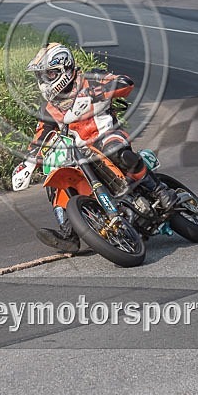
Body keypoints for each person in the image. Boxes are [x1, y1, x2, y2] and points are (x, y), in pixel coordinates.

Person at [12, 43, 178, 253]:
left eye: (50, 74)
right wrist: (27, 164)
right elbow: (40, 137)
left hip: (105, 136)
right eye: (42, 76)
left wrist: (98, 92)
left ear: (65, 68)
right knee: (54, 178)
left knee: (115, 150)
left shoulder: (91, 79)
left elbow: (126, 83)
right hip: (78, 153)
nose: (45, 81)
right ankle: (68, 233)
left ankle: (160, 190)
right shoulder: (49, 108)